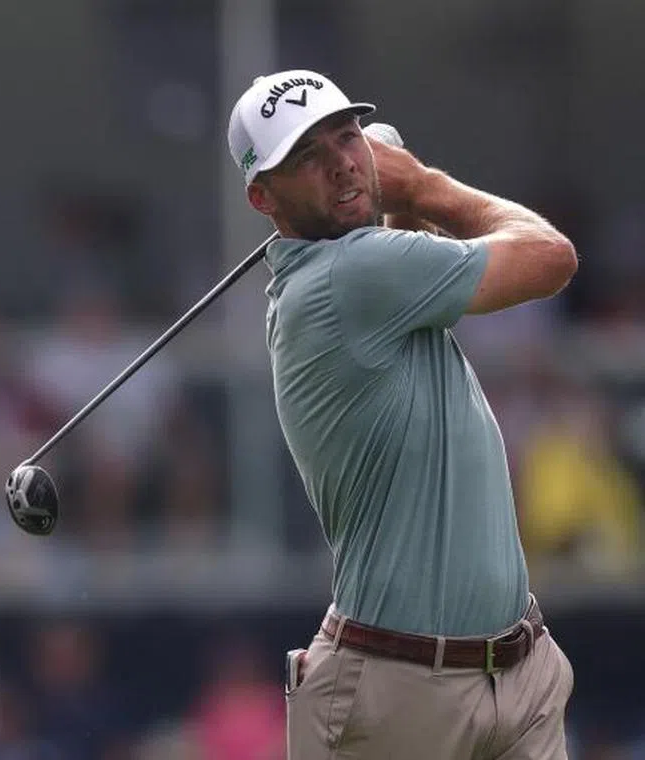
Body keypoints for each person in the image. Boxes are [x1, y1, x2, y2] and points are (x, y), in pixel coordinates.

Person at [226, 69, 578, 759]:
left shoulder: (365, 274)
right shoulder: (343, 278)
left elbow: (400, 248)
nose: (341, 163)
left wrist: (388, 199)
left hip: (517, 671)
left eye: (346, 136)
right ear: (263, 197)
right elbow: (550, 258)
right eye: (307, 157)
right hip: (398, 696)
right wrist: (418, 183)